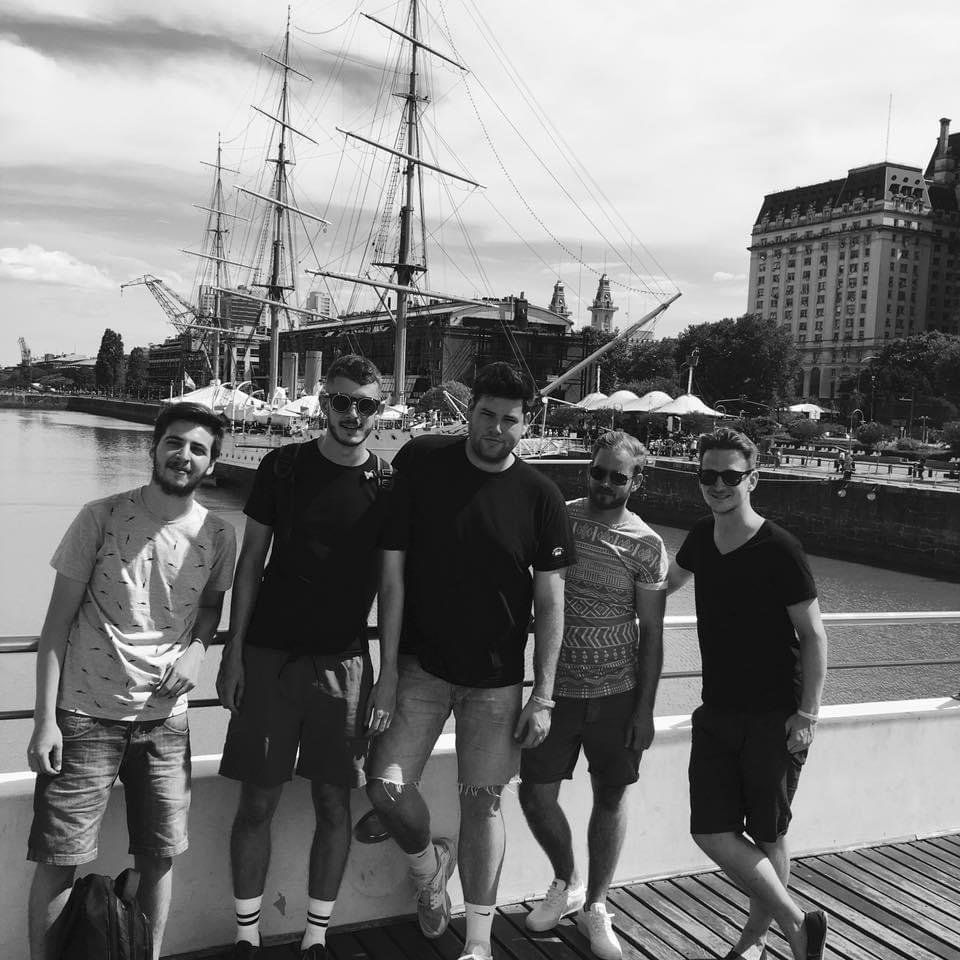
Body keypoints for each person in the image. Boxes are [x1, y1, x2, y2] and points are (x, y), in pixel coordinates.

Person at [365, 362, 576, 960]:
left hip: (497, 681)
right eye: (486, 414)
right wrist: (386, 671)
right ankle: (428, 865)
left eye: (510, 419)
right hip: (420, 668)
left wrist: (543, 695)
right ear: (470, 411)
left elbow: (551, 602)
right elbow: (391, 570)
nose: (495, 429)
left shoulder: (541, 496)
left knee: (483, 803)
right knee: (384, 788)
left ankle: (478, 943)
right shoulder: (422, 461)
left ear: (526, 423)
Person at [26, 402, 237, 960]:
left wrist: (197, 652)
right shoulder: (99, 517)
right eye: (175, 442)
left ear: (213, 463)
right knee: (60, 859)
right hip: (83, 717)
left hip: (166, 724)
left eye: (198, 449)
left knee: (158, 857)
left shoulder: (219, 534)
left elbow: (210, 608)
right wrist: (45, 722)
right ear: (154, 447)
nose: (184, 455)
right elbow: (56, 626)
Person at [216, 355, 391, 959]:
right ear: (323, 404)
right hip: (269, 656)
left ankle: (316, 938)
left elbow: (394, 585)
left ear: (379, 409)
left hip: (344, 664)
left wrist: (390, 673)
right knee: (257, 801)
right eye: (341, 401)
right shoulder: (283, 466)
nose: (352, 414)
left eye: (365, 404)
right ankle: (246, 936)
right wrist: (233, 652)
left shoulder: (388, 484)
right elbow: (250, 565)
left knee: (333, 802)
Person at [666, 428, 829, 960]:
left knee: (768, 834)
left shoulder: (780, 548)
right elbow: (664, 583)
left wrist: (807, 714)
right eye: (708, 474)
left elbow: (813, 636)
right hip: (717, 710)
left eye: (730, 476)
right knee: (710, 830)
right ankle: (797, 923)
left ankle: (756, 940)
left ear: (752, 479)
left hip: (775, 715)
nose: (718, 485)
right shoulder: (700, 536)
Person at [519, 431, 667, 960]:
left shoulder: (647, 545)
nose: (605, 483)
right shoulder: (559, 518)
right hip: (555, 690)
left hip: (617, 693)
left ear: (636, 481)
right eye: (598, 472)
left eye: (617, 477)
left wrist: (645, 710)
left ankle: (596, 905)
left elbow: (652, 633)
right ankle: (567, 883)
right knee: (535, 793)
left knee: (610, 795)